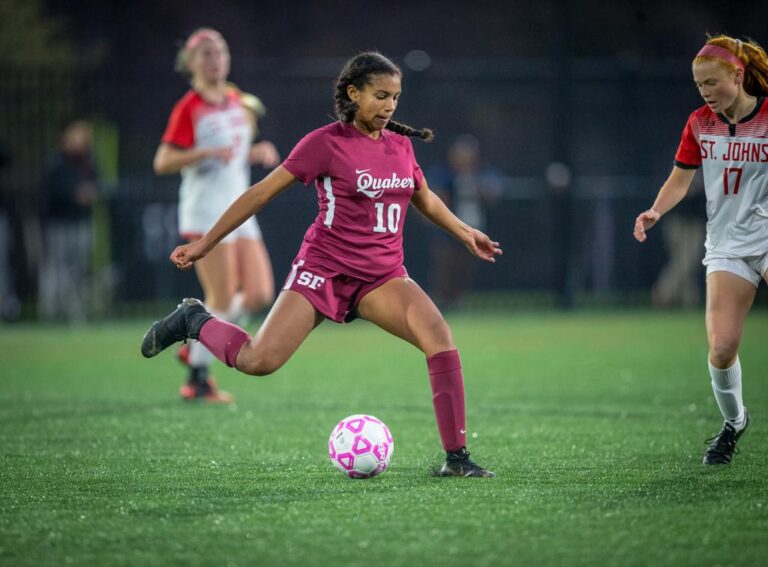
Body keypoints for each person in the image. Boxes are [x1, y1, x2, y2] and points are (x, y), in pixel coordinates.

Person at [142, 52, 502, 477]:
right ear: (354, 93)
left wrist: (465, 232)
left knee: (439, 336)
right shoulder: (324, 143)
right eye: (380, 96)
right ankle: (193, 320)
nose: (389, 106)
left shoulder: (401, 146)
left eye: (396, 98)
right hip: (323, 270)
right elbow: (260, 193)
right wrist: (207, 242)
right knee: (259, 361)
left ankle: (456, 459)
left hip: (382, 277)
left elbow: (423, 197)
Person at [634, 35, 768, 465]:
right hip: (727, 245)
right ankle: (734, 423)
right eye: (699, 86)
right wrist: (655, 211)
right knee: (722, 348)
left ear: (738, 74)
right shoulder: (698, 123)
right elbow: (681, 178)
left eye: (712, 83)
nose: (706, 92)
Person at [154, 28, 280, 403]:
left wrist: (256, 151)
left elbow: (238, 148)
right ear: (190, 63)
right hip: (206, 211)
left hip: (239, 209)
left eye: (220, 51)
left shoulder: (238, 100)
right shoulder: (189, 107)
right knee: (221, 297)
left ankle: (197, 339)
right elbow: (162, 161)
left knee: (259, 294)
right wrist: (203, 154)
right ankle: (198, 379)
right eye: (206, 53)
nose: (216, 59)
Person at [427, 134, 502, 309]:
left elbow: (495, 189)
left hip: (474, 227)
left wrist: (478, 188)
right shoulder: (443, 173)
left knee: (465, 265)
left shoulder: (482, 173)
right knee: (445, 264)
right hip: (447, 230)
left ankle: (457, 299)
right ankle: (440, 300)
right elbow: (433, 196)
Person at [38, 120, 101, 322]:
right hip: (60, 223)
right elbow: (49, 192)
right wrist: (74, 195)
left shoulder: (88, 161)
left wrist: (92, 192)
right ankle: (51, 312)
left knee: (79, 269)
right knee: (58, 269)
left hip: (81, 222)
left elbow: (99, 183)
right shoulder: (56, 162)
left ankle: (74, 312)